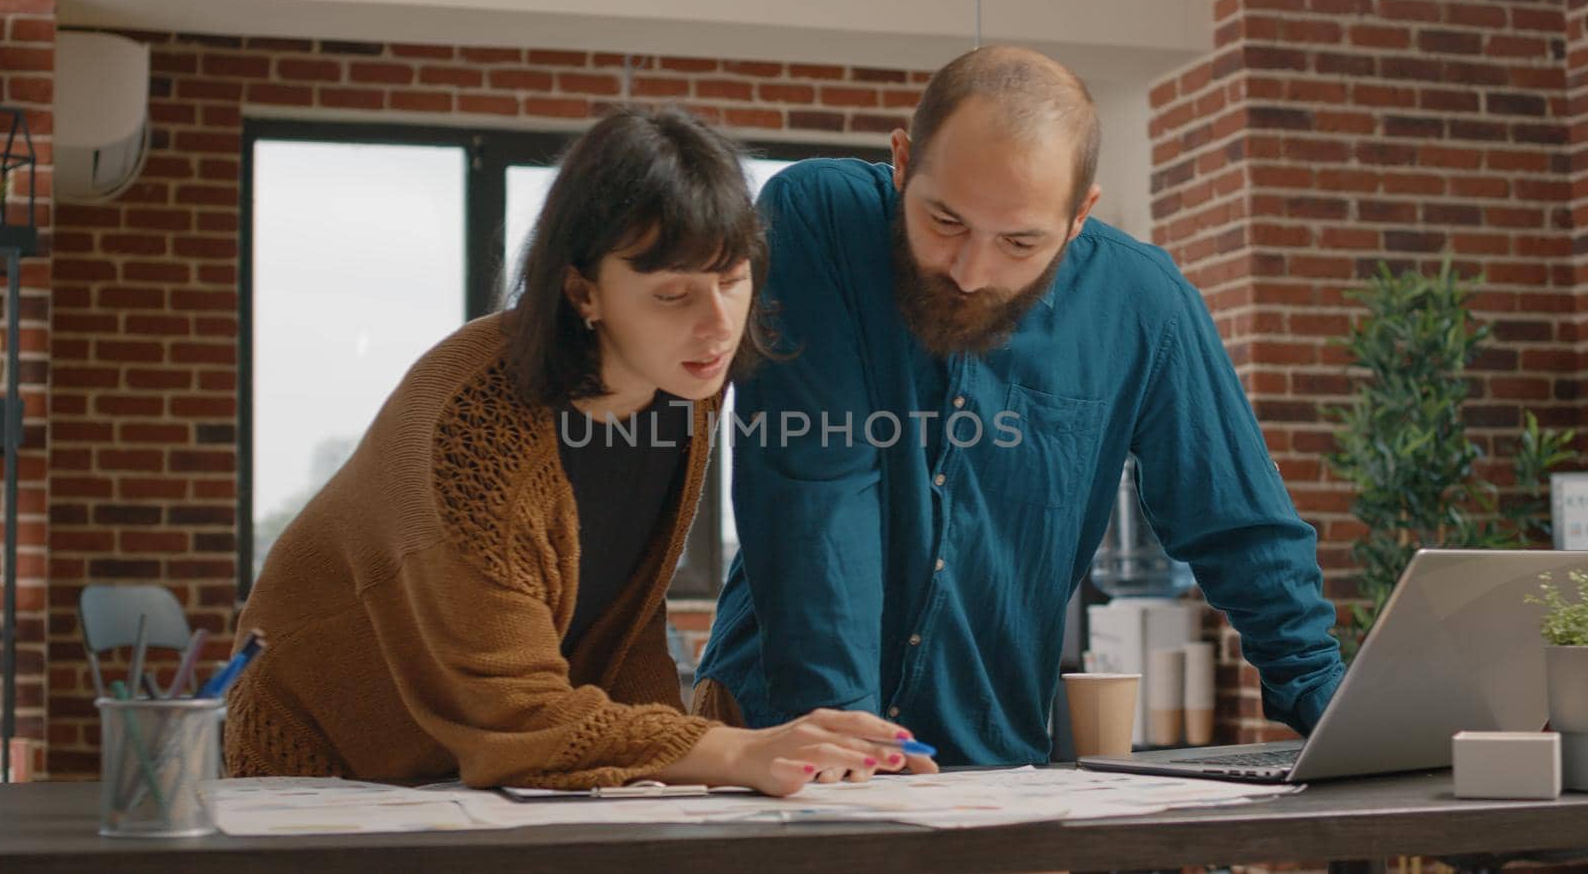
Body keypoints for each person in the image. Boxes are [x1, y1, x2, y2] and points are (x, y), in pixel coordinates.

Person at [225, 107, 938, 794]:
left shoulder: (684, 386)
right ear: (583, 291)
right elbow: (514, 715)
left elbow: (623, 636)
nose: (717, 325)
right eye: (672, 295)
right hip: (329, 755)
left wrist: (683, 765)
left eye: (732, 280)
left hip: (477, 770)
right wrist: (738, 750)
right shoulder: (473, 424)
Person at [695, 47, 1346, 769]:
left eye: (1019, 242)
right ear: (903, 162)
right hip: (777, 737)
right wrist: (851, 740)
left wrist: (1330, 704)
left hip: (991, 759)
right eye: (944, 221)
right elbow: (819, 494)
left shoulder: (1144, 306)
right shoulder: (822, 219)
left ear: (1078, 217)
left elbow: (1241, 527)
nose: (972, 272)